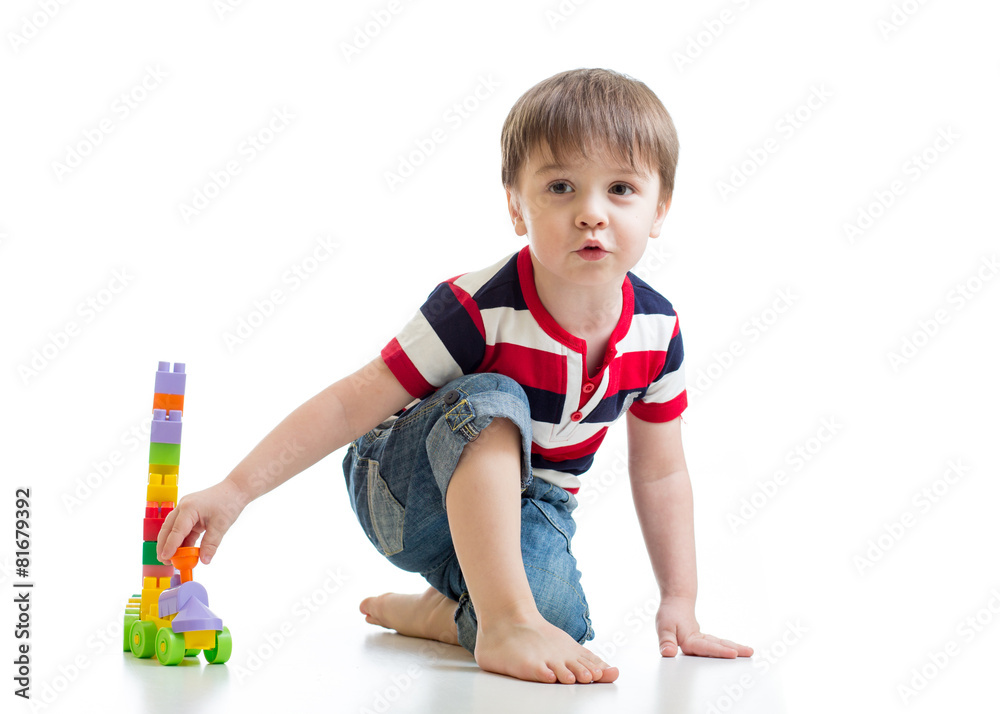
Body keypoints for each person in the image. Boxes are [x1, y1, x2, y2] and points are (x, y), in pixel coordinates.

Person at [158, 67, 753, 684]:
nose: (591, 214)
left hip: (528, 507)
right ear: (516, 208)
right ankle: (499, 621)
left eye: (621, 189)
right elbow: (348, 405)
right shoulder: (477, 309)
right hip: (403, 489)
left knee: (563, 623)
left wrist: (679, 600)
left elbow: (660, 469)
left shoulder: (656, 330)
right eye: (560, 188)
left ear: (660, 210)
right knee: (494, 400)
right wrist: (235, 489)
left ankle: (454, 614)